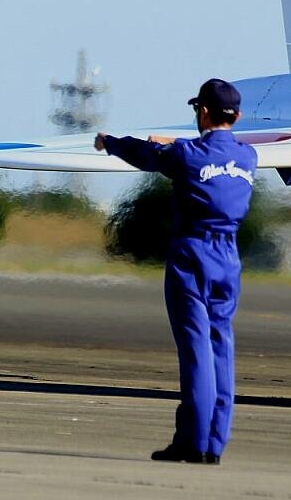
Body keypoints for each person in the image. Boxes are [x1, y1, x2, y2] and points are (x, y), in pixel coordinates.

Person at [94, 79, 257, 465]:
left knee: (196, 350)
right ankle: (215, 443)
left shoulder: (187, 155)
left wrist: (110, 141)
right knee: (222, 346)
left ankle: (191, 442)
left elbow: (145, 155)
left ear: (202, 111)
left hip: (193, 252)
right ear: (238, 116)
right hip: (229, 257)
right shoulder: (249, 157)